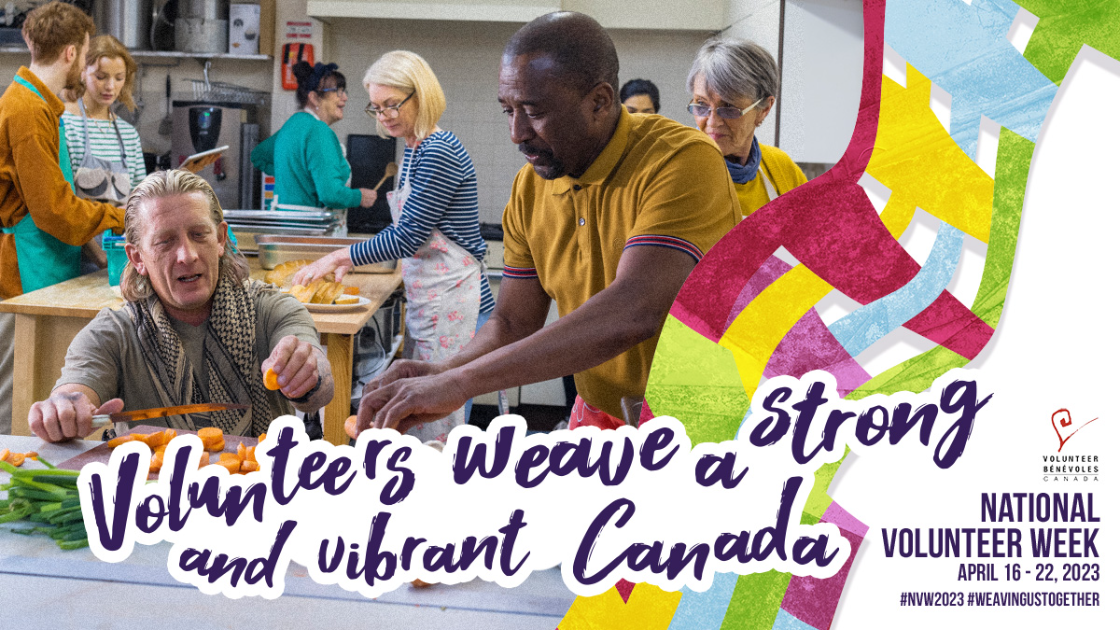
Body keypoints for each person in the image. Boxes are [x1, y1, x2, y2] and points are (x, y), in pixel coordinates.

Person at [354, 12, 739, 434]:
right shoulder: (530, 187)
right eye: (507, 110)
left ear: (600, 101)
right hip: (598, 414)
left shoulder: (682, 160)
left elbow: (633, 310)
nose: (517, 132)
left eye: (534, 112)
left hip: (696, 423)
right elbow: (513, 323)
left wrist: (460, 382)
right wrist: (441, 370)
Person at [27, 170, 334, 443]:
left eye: (199, 235)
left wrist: (308, 375)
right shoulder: (113, 334)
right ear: (136, 257)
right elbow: (75, 390)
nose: (186, 255)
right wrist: (64, 409)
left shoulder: (272, 310)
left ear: (221, 239)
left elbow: (319, 385)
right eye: (165, 242)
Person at [293, 51, 494, 443]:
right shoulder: (415, 149)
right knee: (424, 410)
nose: (383, 115)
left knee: (439, 422)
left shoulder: (438, 151)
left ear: (421, 95)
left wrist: (341, 256)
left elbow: (408, 236)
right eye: (377, 107)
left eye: (392, 104)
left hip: (453, 302)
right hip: (435, 300)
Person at [0, 2, 125, 434]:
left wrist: (98, 250)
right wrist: (120, 217)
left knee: (42, 401)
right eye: (86, 53)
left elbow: (62, 200)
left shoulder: (41, 104)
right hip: (23, 275)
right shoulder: (26, 109)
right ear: (72, 53)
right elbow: (54, 210)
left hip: (49, 269)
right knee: (16, 406)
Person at [687, 38, 807, 218]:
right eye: (701, 104)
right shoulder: (679, 172)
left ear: (764, 109)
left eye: (728, 107)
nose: (712, 122)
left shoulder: (780, 167)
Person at [251, 61, 377, 219]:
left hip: (280, 221)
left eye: (344, 91)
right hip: (307, 226)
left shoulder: (293, 123)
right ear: (314, 98)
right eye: (337, 91)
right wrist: (359, 196)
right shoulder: (319, 131)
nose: (344, 97)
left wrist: (297, 176)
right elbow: (330, 194)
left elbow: (258, 155)